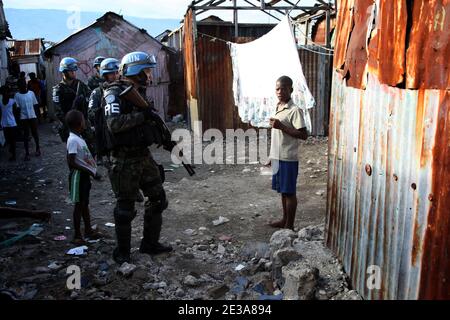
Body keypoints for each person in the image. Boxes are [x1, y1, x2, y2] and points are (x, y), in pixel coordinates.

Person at [103, 51, 172, 263]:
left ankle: (149, 244)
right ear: (135, 70)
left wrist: (164, 138)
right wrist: (142, 115)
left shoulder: (138, 92)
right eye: (147, 70)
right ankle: (122, 253)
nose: (150, 75)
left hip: (143, 156)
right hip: (123, 160)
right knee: (125, 209)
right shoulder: (114, 93)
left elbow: (148, 123)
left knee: (158, 199)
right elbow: (113, 124)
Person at [268, 76, 308, 230]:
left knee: (289, 192)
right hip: (278, 157)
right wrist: (272, 156)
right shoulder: (279, 106)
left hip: (288, 158)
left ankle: (290, 226)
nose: (279, 91)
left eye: (283, 88)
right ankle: (285, 220)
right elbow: (278, 136)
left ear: (290, 90)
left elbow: (303, 135)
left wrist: (281, 127)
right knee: (283, 192)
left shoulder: (295, 110)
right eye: (277, 88)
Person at [66, 110, 102, 244]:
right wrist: (89, 170)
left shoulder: (78, 138)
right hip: (78, 177)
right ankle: (77, 235)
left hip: (84, 176)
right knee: (79, 206)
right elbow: (71, 161)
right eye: (83, 119)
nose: (85, 122)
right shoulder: (73, 140)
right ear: (79, 123)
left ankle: (88, 230)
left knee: (84, 204)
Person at [52, 57, 95, 155]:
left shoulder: (80, 85)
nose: (74, 73)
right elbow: (58, 112)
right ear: (64, 72)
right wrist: (71, 124)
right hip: (70, 126)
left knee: (90, 151)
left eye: (74, 71)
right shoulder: (58, 90)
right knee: (75, 153)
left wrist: (85, 100)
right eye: (71, 71)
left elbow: (91, 96)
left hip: (83, 123)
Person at [14, 81, 41, 161]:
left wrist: (37, 116)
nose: (23, 86)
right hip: (23, 117)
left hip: (32, 116)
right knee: (26, 136)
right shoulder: (17, 95)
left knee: (35, 133)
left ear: (26, 85)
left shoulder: (31, 93)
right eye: (21, 85)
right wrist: (18, 120)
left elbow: (35, 105)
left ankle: (38, 149)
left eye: (24, 85)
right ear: (19, 87)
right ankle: (27, 153)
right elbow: (17, 108)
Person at [0, 86, 19, 161]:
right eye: (4, 92)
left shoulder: (12, 101)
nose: (5, 94)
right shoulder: (0, 102)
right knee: (8, 139)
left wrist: (17, 123)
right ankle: (12, 149)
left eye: (6, 92)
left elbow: (16, 113)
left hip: (12, 123)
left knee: (12, 139)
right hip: (4, 123)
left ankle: (14, 155)